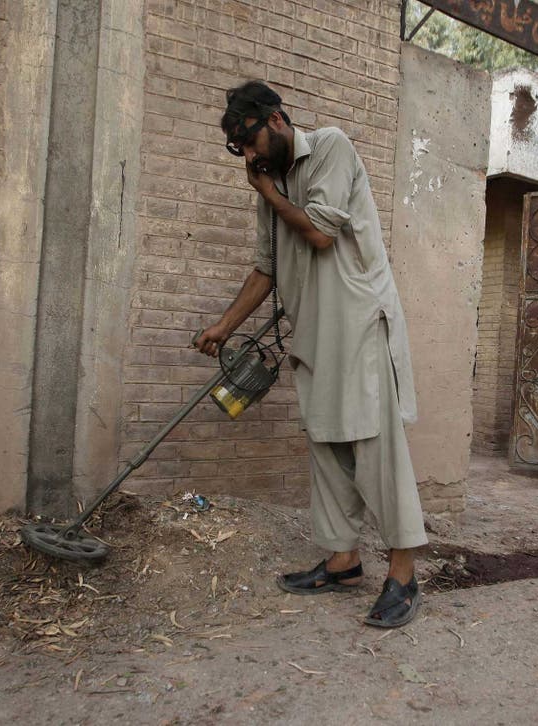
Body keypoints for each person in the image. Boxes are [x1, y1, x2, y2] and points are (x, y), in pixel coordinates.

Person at [195, 80, 427, 627]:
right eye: (240, 150)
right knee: (326, 445)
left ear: (275, 119)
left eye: (249, 142)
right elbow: (267, 267)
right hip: (314, 334)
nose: (248, 157)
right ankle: (344, 561)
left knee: (375, 446)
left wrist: (269, 195)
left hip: (358, 325)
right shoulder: (271, 183)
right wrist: (224, 327)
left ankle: (403, 574)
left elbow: (321, 232)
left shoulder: (330, 148)